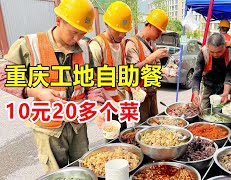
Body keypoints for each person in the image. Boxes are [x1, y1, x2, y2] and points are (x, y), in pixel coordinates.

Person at [0, 0, 107, 173]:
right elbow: (3, 76)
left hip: (77, 126)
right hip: (49, 129)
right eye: (74, 32)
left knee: (84, 169)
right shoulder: (30, 45)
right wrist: (34, 91)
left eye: (82, 34)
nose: (77, 39)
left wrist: (98, 105)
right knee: (57, 174)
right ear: (59, 21)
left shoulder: (85, 49)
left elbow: (92, 83)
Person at [125, 9, 170, 123]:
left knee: (154, 123)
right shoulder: (132, 43)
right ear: (150, 25)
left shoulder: (152, 43)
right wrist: (151, 58)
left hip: (152, 92)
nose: (159, 35)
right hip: (140, 94)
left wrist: (162, 70)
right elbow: (131, 70)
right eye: (158, 31)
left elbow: (154, 66)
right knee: (142, 127)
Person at [90, 1, 132, 102]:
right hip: (104, 106)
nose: (122, 35)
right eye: (117, 31)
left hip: (120, 101)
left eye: (124, 31)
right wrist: (111, 102)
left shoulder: (121, 44)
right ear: (106, 24)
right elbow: (92, 83)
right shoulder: (96, 46)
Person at [191, 33, 231, 110]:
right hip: (208, 83)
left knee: (223, 109)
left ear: (225, 46)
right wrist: (195, 93)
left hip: (226, 84)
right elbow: (197, 76)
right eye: (212, 52)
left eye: (219, 52)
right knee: (203, 108)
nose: (215, 55)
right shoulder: (203, 52)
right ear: (208, 47)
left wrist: (226, 92)